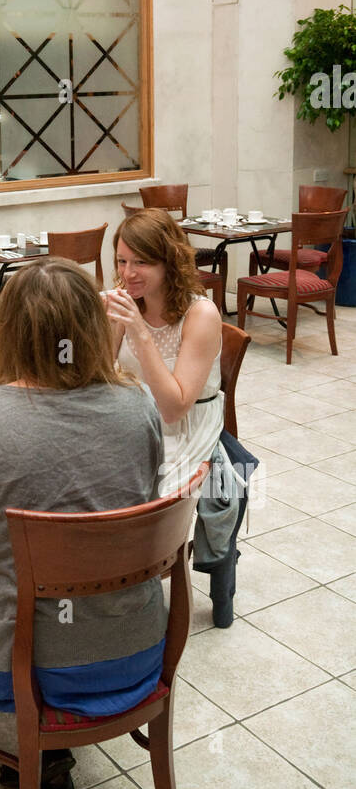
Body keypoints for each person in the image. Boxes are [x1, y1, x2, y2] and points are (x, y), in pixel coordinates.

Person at [0, 259, 166, 789]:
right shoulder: (139, 406)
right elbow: (133, 516)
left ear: (7, 331)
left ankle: (39, 740)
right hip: (135, 647)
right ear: (91, 325)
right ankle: (53, 749)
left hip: (19, 666)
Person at [105, 209, 247, 626]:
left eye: (140, 262)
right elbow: (100, 373)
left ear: (169, 261)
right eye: (120, 261)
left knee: (135, 502)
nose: (127, 273)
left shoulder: (200, 315)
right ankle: (108, 588)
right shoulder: (128, 300)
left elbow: (174, 406)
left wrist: (139, 333)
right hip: (135, 420)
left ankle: (133, 594)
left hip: (186, 430)